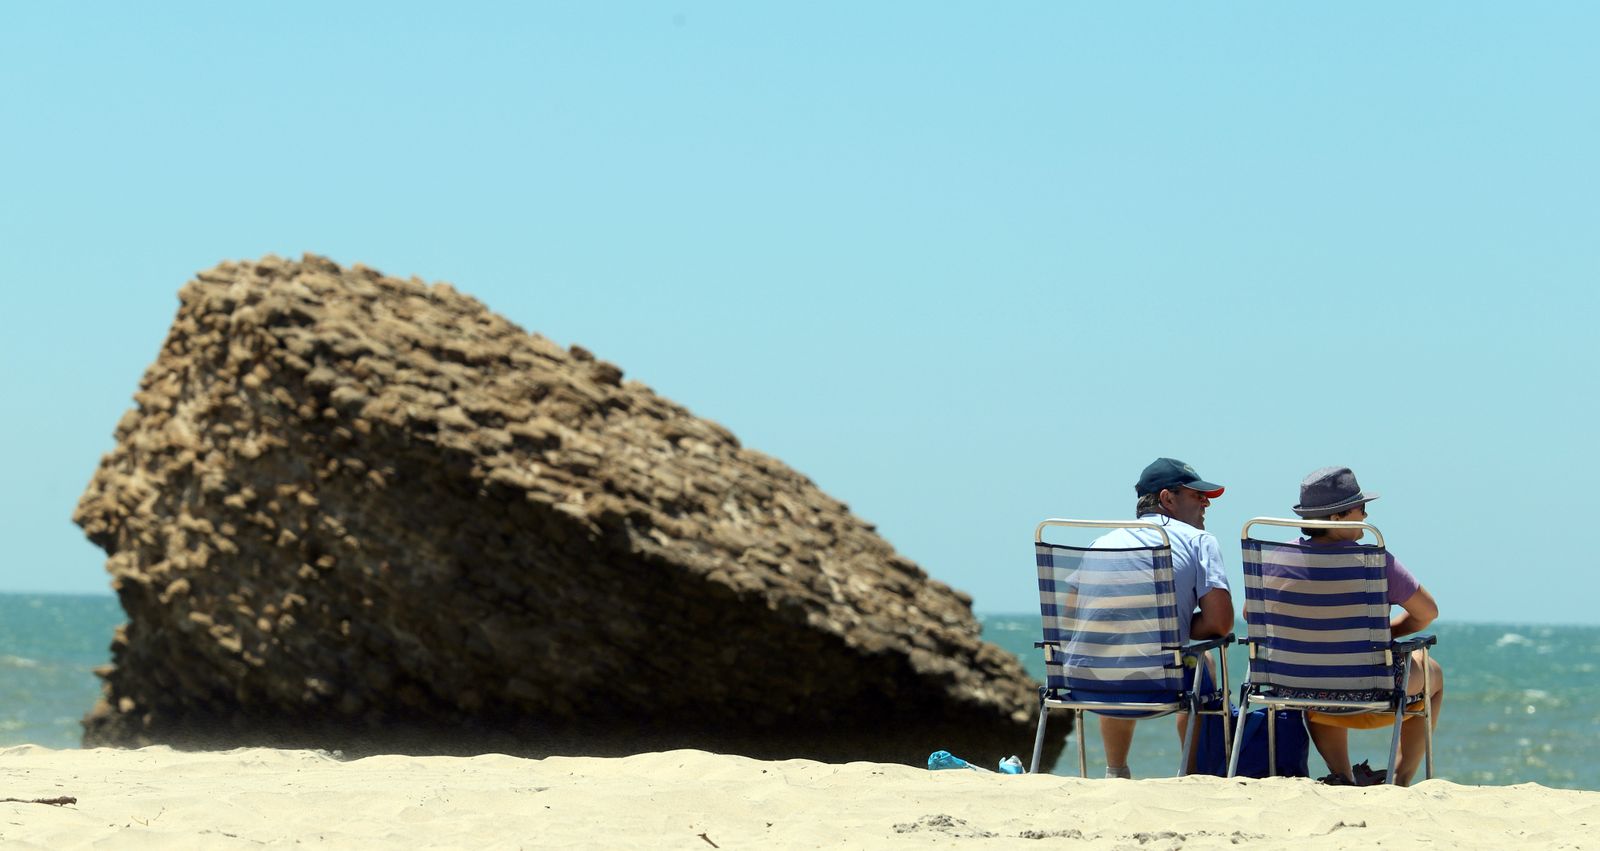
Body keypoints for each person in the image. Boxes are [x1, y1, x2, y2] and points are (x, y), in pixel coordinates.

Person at [1291, 466, 1445, 787]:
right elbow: (1427, 612)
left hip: (1304, 684)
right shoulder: (1374, 560)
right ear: (1336, 517)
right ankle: (1400, 779)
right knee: (1434, 673)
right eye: (1361, 508)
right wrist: (1388, 634)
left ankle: (1342, 775)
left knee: (1321, 669)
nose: (1365, 514)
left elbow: (1253, 614)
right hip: (1372, 683)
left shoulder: (1281, 557)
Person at [1089, 458, 1235, 779]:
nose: (1206, 502)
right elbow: (1220, 624)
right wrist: (1177, 625)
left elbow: (1078, 614)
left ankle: (1116, 770)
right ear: (1168, 499)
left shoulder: (1101, 543)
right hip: (1161, 684)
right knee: (1205, 661)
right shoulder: (1199, 541)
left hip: (1087, 685)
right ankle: (1192, 773)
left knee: (1116, 650)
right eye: (1197, 495)